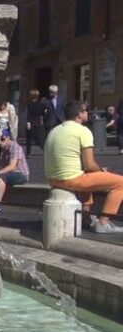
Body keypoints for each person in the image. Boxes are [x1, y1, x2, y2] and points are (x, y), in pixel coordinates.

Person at [44, 100, 123, 233]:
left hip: (52, 179)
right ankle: (103, 223)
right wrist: (101, 171)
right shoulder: (82, 130)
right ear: (80, 114)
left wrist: (97, 172)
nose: (88, 113)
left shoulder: (54, 130)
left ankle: (85, 216)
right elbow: (90, 164)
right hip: (71, 179)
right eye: (86, 110)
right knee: (121, 183)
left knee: (87, 176)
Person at [0, 132, 29, 214]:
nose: (0, 142)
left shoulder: (15, 147)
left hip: (20, 174)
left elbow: (12, 167)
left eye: (2, 139)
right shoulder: (1, 149)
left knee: (1, 177)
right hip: (9, 174)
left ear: (8, 138)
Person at [25, 89, 48, 156]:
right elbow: (45, 111)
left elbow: (29, 114)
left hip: (31, 122)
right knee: (40, 139)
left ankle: (28, 153)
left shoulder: (29, 104)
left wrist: (28, 122)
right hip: (38, 122)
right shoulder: (41, 104)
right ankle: (46, 150)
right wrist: (43, 117)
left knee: (29, 139)